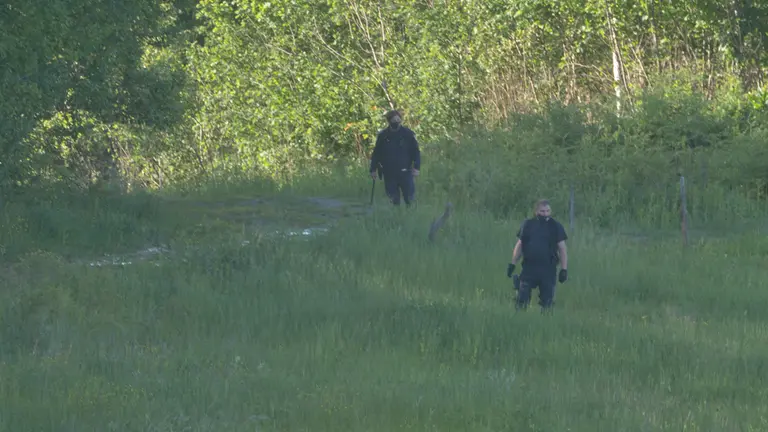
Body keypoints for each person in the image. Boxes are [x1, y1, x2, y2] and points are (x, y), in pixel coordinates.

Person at [506, 199, 569, 312]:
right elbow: (520, 245)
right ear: (536, 212)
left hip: (548, 268)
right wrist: (513, 263)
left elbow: (562, 248)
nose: (545, 214)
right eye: (542, 211)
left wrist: (564, 269)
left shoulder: (555, 226)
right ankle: (519, 318)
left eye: (547, 211)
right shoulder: (528, 225)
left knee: (547, 302)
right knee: (522, 298)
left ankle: (546, 320)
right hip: (529, 267)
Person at [369, 109, 421, 206]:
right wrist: (373, 169)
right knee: (393, 199)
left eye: (398, 120)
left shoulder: (408, 134)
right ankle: (396, 214)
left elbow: (416, 151)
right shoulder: (383, 136)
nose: (396, 122)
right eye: (393, 120)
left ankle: (410, 213)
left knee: (409, 198)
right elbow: (376, 153)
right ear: (389, 121)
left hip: (405, 171)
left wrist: (416, 167)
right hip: (389, 172)